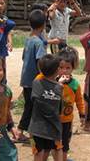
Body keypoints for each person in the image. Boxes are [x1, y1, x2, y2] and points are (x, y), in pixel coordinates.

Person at [17, 10, 60, 143]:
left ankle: (25, 132)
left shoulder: (29, 39)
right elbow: (41, 63)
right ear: (43, 25)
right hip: (34, 81)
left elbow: (24, 57)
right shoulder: (39, 43)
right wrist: (47, 79)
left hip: (26, 79)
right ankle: (22, 133)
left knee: (29, 106)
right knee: (32, 108)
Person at [28, 54, 63, 161]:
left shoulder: (37, 82)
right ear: (57, 70)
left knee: (39, 152)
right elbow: (60, 109)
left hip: (37, 128)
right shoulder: (59, 88)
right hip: (53, 127)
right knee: (56, 149)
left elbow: (33, 100)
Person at [56, 47, 85, 161]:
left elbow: (79, 100)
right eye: (61, 67)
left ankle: (63, 158)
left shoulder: (74, 84)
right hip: (54, 119)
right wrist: (58, 85)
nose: (64, 70)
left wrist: (82, 114)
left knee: (65, 142)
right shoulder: (53, 82)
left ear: (73, 68)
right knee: (55, 143)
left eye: (68, 68)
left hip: (67, 119)